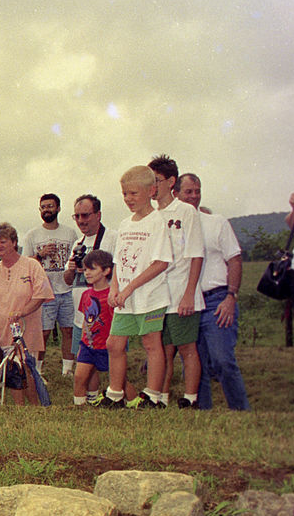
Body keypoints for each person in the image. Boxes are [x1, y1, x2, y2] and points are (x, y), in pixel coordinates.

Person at [177, 174, 249, 410]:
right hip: (187, 304)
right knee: (195, 365)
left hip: (217, 298)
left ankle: (241, 412)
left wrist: (231, 296)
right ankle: (203, 415)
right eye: (188, 191)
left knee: (223, 361)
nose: (194, 196)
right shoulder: (172, 227)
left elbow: (235, 260)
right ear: (176, 193)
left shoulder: (216, 222)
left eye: (197, 191)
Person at [102, 166, 172, 409]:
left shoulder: (158, 222)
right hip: (125, 298)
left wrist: (130, 288)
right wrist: (114, 288)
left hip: (150, 297)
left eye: (133, 193)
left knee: (151, 343)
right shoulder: (125, 224)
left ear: (151, 191)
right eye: (124, 194)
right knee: (114, 344)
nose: (128, 199)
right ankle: (115, 394)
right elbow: (119, 261)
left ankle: (153, 396)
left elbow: (161, 262)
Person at [0, 222, 54, 405]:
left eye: (3, 242)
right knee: (9, 369)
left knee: (24, 368)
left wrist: (22, 312)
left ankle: (36, 406)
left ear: (14, 242)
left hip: (25, 329)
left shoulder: (31, 265)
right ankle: (20, 408)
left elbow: (41, 295)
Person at [151, 156, 204, 408]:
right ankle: (160, 396)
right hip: (158, 294)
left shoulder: (186, 211)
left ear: (171, 181)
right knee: (163, 349)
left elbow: (195, 255)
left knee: (187, 347)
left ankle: (190, 399)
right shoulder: (150, 215)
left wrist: (189, 295)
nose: (152, 186)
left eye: (156, 181)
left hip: (182, 291)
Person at [22, 194, 79, 376]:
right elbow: (24, 263)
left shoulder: (70, 233)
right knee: (43, 333)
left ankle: (67, 369)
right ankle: (37, 371)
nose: (46, 210)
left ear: (58, 208)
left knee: (68, 330)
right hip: (44, 292)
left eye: (50, 206)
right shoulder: (33, 235)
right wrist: (40, 254)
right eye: (43, 207)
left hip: (67, 290)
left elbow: (76, 257)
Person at [62, 194, 107, 400]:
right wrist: (72, 268)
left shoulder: (111, 237)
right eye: (77, 216)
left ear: (98, 214)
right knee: (85, 356)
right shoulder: (77, 243)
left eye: (86, 215)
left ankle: (116, 394)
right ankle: (92, 396)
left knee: (103, 358)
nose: (81, 221)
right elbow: (67, 279)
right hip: (82, 310)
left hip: (103, 309)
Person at [73, 249, 115, 406]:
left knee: (118, 378)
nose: (87, 273)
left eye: (92, 269)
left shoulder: (111, 295)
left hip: (106, 346)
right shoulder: (86, 295)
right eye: (85, 269)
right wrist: (82, 343)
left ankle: (133, 400)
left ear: (106, 271)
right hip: (88, 345)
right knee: (79, 376)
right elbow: (86, 321)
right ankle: (79, 406)